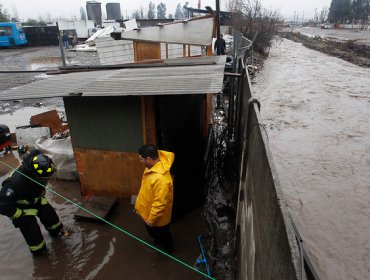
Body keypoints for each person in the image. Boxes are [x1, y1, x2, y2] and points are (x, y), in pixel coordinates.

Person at [0, 149, 64, 256]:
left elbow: (33, 151)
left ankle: (57, 232)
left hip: (35, 198)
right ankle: (40, 253)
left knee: (50, 216)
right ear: (36, 175)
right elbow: (2, 204)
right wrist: (18, 214)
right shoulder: (15, 184)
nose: (47, 181)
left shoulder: (37, 157)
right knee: (32, 231)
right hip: (21, 208)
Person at [135, 144, 175, 254]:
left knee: (163, 235)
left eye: (141, 159)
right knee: (155, 234)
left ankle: (169, 250)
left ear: (148, 159)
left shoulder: (161, 179)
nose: (140, 161)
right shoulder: (150, 167)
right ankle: (159, 240)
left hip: (157, 219)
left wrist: (151, 220)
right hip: (148, 211)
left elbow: (160, 204)